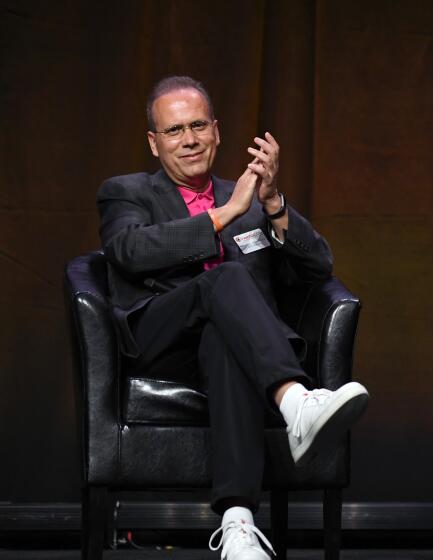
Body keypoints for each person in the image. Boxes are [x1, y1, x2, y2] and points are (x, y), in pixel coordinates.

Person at [97, 76, 369, 560]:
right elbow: (129, 250)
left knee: (224, 341)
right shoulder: (127, 191)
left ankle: (238, 524)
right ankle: (293, 398)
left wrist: (272, 204)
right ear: (154, 143)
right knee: (224, 279)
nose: (190, 139)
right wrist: (224, 215)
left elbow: (319, 266)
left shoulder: (250, 196)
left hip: (228, 348)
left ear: (217, 132)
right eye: (175, 130)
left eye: (198, 125)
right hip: (160, 339)